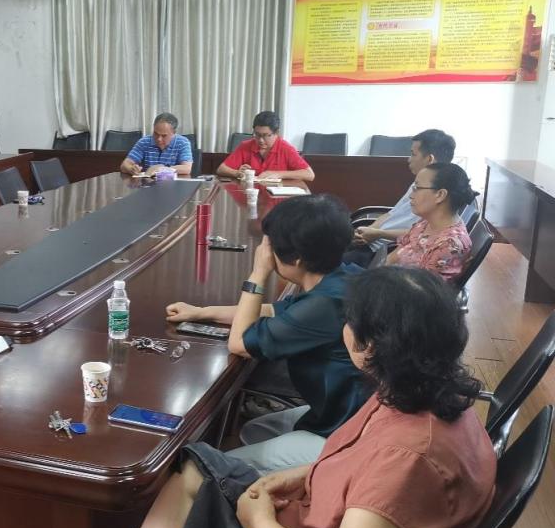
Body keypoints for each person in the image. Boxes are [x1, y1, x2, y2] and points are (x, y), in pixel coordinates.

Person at [40, 267, 496, 528]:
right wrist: (300, 475)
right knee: (194, 465)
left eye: (349, 320)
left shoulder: (408, 455)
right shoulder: (426, 394)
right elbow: (365, 468)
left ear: (370, 347)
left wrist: (263, 526)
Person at [166, 195, 365, 473]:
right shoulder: (343, 277)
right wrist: (201, 312)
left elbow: (239, 343)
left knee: (210, 468)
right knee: (254, 430)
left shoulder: (324, 305)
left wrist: (258, 273)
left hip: (348, 435)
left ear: (296, 259)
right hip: (343, 411)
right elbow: (272, 310)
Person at [345, 129, 457, 266]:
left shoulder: (434, 196)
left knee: (326, 266)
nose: (409, 159)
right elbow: (391, 214)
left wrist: (378, 233)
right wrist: (368, 232)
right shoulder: (419, 183)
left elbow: (420, 235)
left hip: (384, 250)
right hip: (372, 242)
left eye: (413, 154)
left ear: (429, 159)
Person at [386, 162, 474, 283]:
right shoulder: (426, 223)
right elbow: (395, 255)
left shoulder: (449, 245)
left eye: (417, 188)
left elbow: (421, 290)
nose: (411, 195)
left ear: (440, 195)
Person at [216, 111, 314, 182]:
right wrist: (237, 173)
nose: (261, 140)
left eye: (266, 135)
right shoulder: (246, 146)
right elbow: (221, 169)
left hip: (276, 197)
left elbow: (310, 175)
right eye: (257, 135)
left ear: (277, 133)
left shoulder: (286, 148)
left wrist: (278, 174)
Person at [119, 113, 193, 177]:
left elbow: (186, 168)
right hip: (148, 184)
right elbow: (124, 165)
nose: (159, 139)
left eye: (164, 136)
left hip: (173, 185)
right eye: (156, 134)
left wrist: (162, 169)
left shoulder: (183, 142)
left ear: (174, 133)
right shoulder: (144, 142)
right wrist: (131, 169)